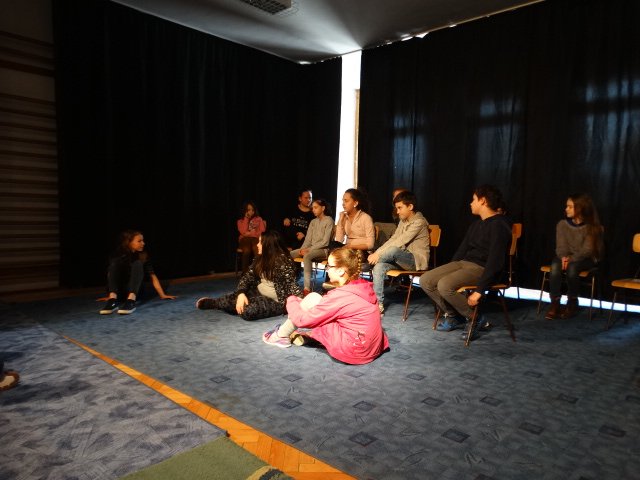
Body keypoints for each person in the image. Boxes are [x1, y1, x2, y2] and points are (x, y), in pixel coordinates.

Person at [262, 247, 389, 364]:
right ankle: (308, 336)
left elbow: (302, 321)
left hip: (354, 351)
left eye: (329, 266)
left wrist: (291, 300)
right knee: (320, 307)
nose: (326, 269)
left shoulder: (339, 296)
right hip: (372, 348)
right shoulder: (364, 287)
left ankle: (280, 335)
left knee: (313, 300)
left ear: (341, 271)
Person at [419, 185, 512, 340]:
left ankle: (475, 317)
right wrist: (450, 269)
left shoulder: (499, 225)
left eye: (474, 199)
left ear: (483, 201)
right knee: (426, 280)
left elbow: (495, 261)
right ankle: (454, 315)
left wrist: (480, 290)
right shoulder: (476, 224)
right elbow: (461, 251)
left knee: (444, 285)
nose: (471, 203)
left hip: (481, 268)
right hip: (464, 263)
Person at [196, 230, 302, 321]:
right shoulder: (259, 259)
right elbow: (247, 277)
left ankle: (239, 306)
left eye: (260, 242)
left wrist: (300, 303)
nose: (257, 245)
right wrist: (241, 294)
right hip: (258, 291)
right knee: (230, 299)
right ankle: (215, 303)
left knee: (248, 311)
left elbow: (292, 285)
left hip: (276, 301)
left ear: (268, 245)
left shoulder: (283, 262)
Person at [367, 191, 430, 314]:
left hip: (416, 261)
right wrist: (377, 253)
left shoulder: (419, 222)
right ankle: (377, 304)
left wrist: (377, 255)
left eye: (400, 208)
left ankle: (367, 264)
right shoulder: (403, 221)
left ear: (410, 206)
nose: (397, 211)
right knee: (379, 266)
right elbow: (393, 239)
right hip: (401, 260)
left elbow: (401, 241)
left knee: (393, 250)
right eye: (397, 208)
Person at [545, 193, 603, 320]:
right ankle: (555, 302)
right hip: (566, 257)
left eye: (570, 207)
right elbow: (561, 246)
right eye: (567, 206)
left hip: (585, 258)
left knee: (572, 268)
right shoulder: (562, 225)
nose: (566, 209)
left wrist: (571, 259)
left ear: (580, 209)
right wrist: (564, 257)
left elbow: (587, 250)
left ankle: (572, 301)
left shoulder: (591, 227)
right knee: (555, 266)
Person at [99, 230, 176, 315]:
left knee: (138, 263)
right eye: (139, 241)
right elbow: (111, 274)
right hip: (120, 293)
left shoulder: (143, 255)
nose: (143, 243)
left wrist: (162, 295)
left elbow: (152, 276)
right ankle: (112, 301)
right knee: (114, 264)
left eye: (143, 240)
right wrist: (110, 294)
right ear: (129, 242)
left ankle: (131, 301)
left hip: (136, 293)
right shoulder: (117, 254)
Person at [290, 198, 334, 295]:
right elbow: (308, 240)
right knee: (290, 254)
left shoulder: (329, 220)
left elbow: (325, 242)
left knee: (307, 255)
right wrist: (302, 249)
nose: (313, 210)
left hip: (323, 250)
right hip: (311, 249)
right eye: (312, 208)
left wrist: (308, 250)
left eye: (315, 207)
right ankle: (289, 282)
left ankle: (307, 288)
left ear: (323, 208)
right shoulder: (313, 221)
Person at [237, 201, 267, 274]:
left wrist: (250, 233)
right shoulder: (240, 221)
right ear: (245, 211)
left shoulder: (258, 219)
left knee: (256, 250)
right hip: (244, 240)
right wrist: (246, 218)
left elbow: (262, 230)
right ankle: (245, 273)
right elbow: (243, 232)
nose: (251, 212)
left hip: (255, 238)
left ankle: (258, 271)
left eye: (252, 210)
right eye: (248, 210)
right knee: (246, 251)